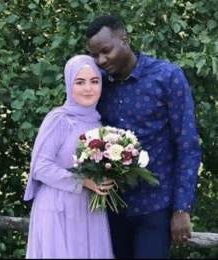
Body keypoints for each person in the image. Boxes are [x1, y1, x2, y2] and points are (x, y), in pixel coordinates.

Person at [85, 15, 202, 259]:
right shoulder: (98, 85)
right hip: (112, 208)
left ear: (124, 40)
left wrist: (182, 208)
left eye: (106, 51)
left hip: (155, 206)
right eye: (96, 56)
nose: (101, 60)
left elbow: (187, 145)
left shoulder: (167, 77)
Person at [23, 55, 115, 259]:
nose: (88, 89)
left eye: (94, 81)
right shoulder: (59, 119)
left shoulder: (98, 124)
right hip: (57, 209)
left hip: (88, 210)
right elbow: (40, 167)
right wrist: (84, 181)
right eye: (80, 82)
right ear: (68, 84)